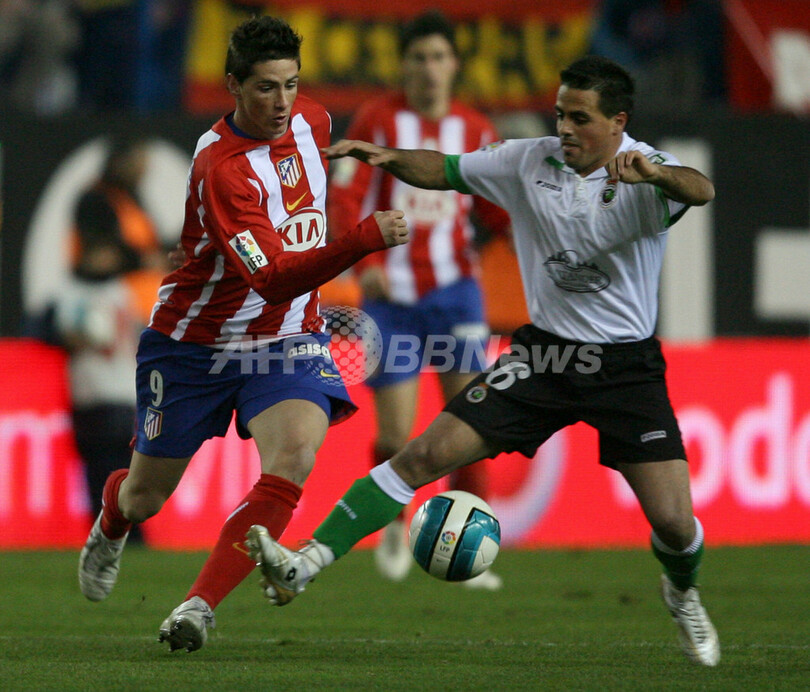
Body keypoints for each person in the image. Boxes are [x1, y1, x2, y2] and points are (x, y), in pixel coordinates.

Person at [247, 55, 721, 667]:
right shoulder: (529, 160)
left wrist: (656, 174)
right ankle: (305, 563)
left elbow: (700, 189)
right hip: (544, 356)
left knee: (675, 524)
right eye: (561, 114)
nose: (565, 128)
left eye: (580, 118)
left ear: (617, 123)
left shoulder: (645, 172)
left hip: (625, 369)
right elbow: (446, 170)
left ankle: (683, 593)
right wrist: (386, 158)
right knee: (421, 455)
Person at [77, 15, 409, 653]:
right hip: (196, 345)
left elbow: (308, 228)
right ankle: (112, 521)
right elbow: (274, 279)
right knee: (145, 497)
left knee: (296, 455)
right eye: (264, 87)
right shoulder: (222, 168)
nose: (281, 102)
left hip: (286, 339)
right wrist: (362, 239)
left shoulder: (314, 122)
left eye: (290, 84)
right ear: (232, 85)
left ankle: (197, 608)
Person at [327, 10, 510, 589]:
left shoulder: (476, 130)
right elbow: (345, 199)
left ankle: (474, 549)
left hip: (457, 295)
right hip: (393, 299)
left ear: (455, 65)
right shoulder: (379, 120)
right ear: (403, 65)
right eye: (418, 58)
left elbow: (497, 211)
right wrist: (368, 263)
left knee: (470, 425)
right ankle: (391, 525)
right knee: (394, 435)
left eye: (438, 57)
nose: (429, 69)